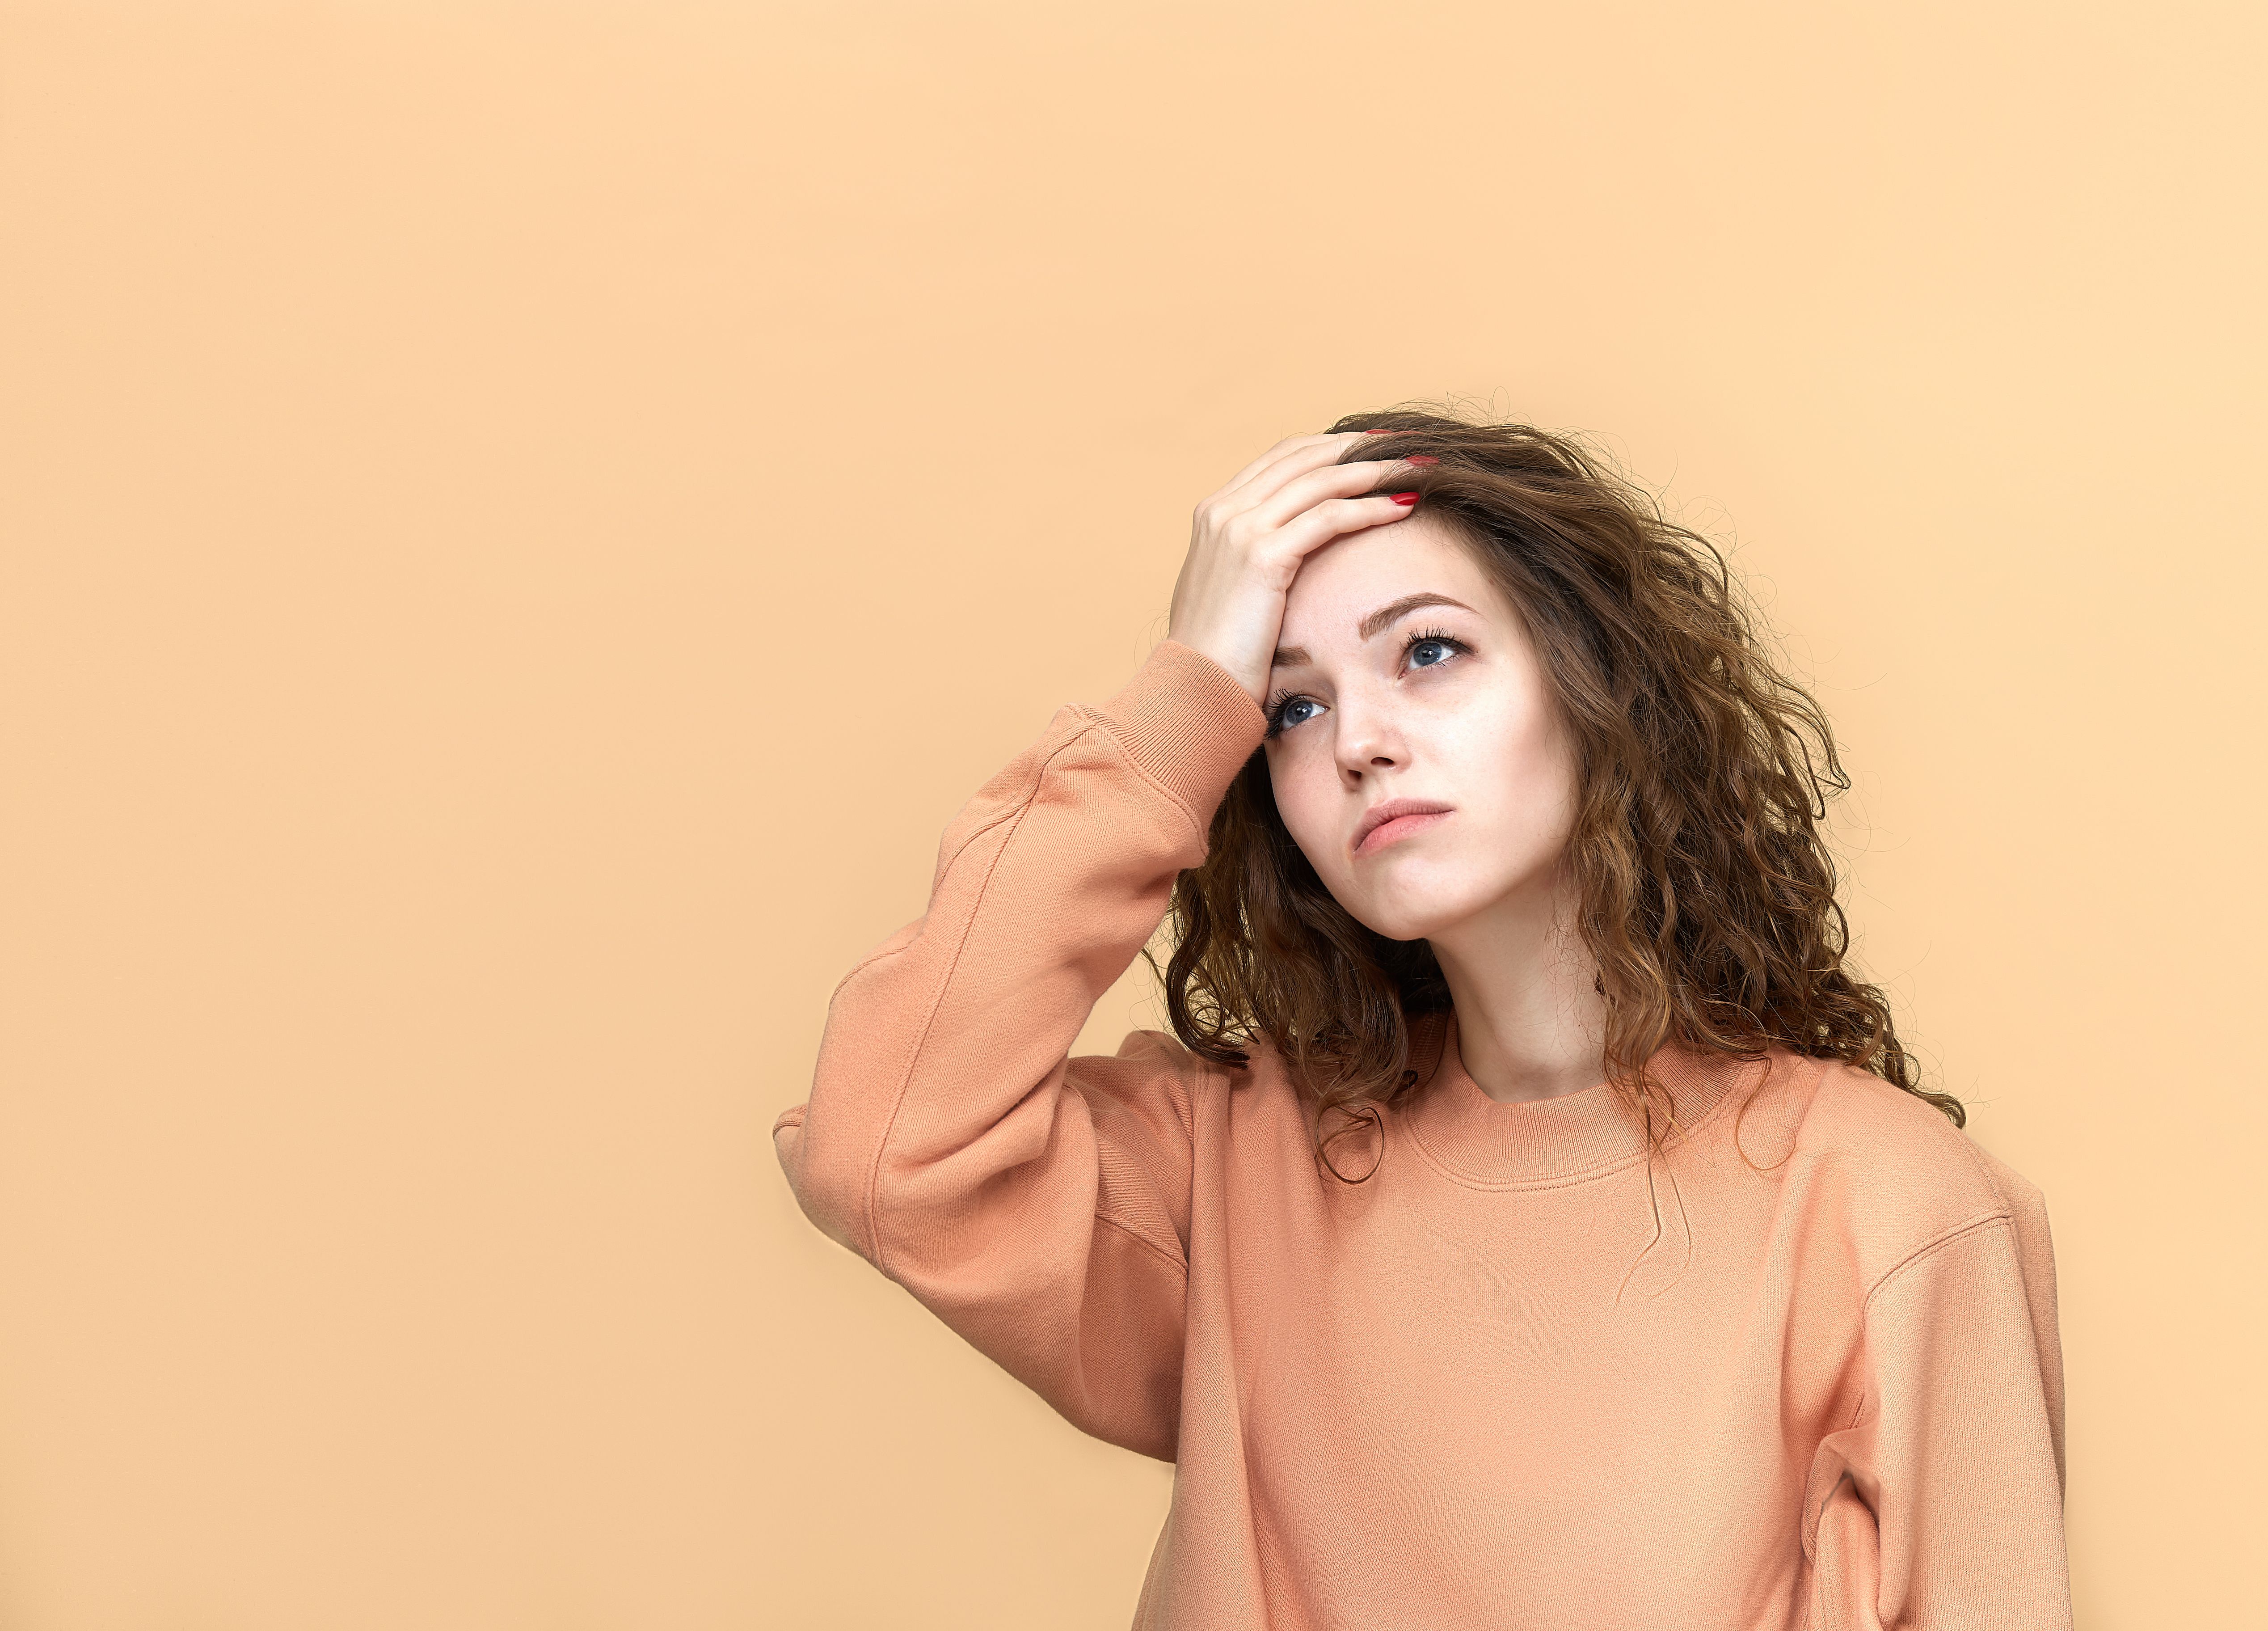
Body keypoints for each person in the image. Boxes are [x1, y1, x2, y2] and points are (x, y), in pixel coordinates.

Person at [771, 410, 2073, 1630]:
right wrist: (1181, 702)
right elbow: (886, 1146)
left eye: (1428, 651)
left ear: (1591, 684)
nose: (1358, 744)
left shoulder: (1886, 1204)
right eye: (1292, 704)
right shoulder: (1236, 1167)